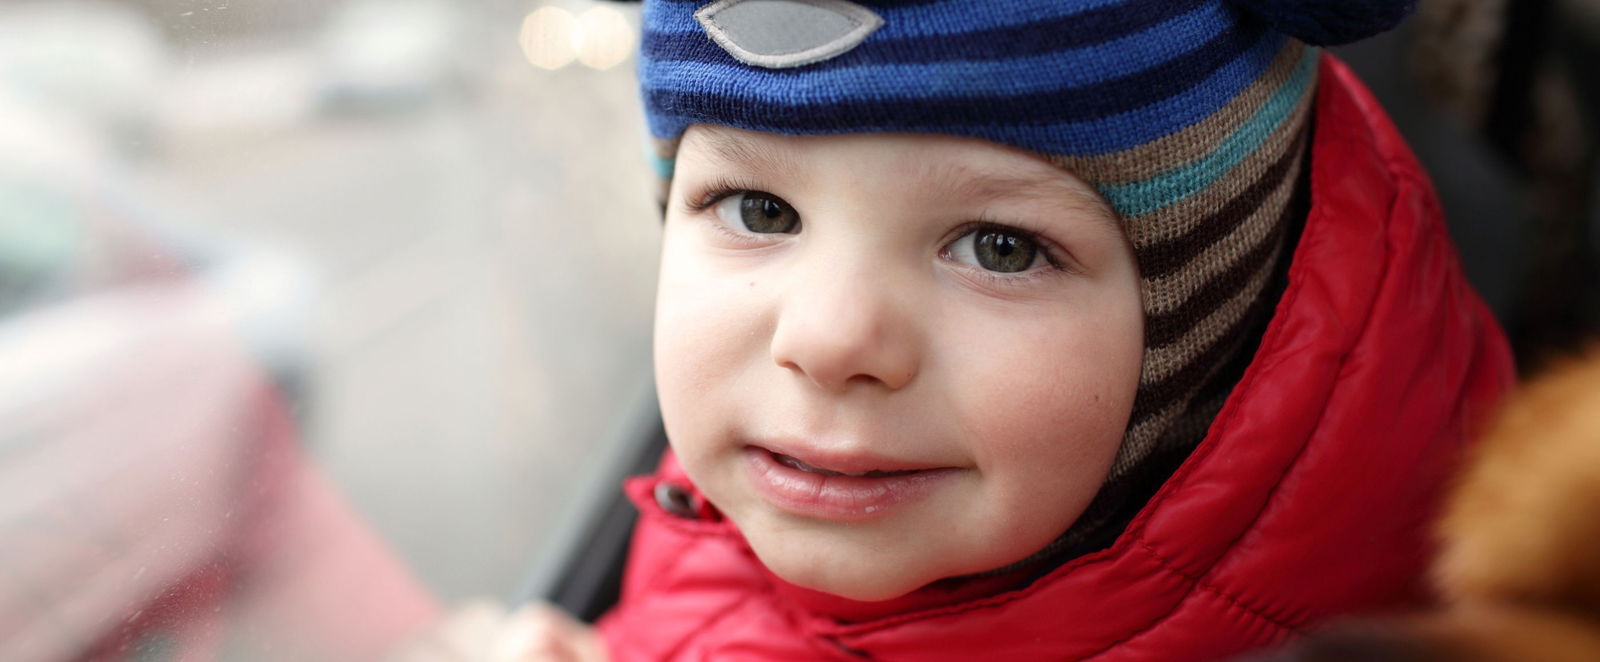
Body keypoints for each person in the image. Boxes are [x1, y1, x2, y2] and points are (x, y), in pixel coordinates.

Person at [401, 0, 1516, 659]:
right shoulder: (771, 519)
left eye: (997, 246)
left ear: (1208, 319)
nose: (829, 338)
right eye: (758, 211)